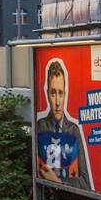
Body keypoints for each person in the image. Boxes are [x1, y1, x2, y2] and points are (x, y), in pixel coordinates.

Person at [34, 58, 92, 190]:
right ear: (47, 94)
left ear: (65, 94)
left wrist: (58, 181)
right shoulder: (40, 126)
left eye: (60, 93)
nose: (58, 102)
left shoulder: (73, 130)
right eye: (53, 93)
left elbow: (85, 183)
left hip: (70, 198)